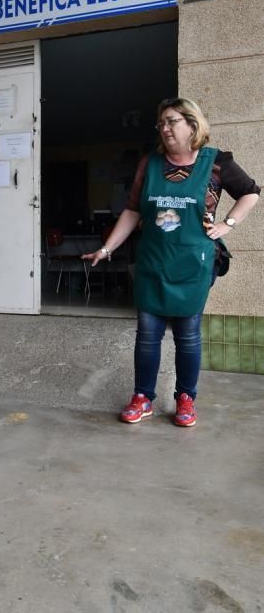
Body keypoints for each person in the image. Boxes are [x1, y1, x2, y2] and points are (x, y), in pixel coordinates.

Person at [83, 98, 260, 427]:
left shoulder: (216, 162)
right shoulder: (149, 164)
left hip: (193, 263)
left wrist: (227, 225)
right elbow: (133, 210)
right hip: (153, 261)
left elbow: (250, 192)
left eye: (172, 121)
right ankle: (143, 397)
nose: (164, 128)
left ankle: (186, 399)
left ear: (192, 125)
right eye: (161, 123)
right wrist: (106, 249)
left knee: (187, 335)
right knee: (147, 334)